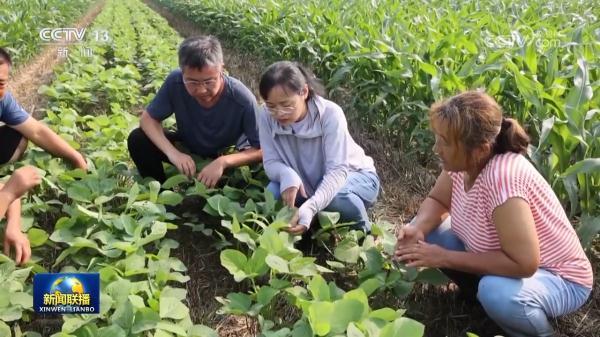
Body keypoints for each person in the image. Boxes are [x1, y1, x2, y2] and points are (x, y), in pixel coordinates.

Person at [394, 91, 592, 337]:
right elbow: (437, 200)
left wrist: (443, 257)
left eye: (444, 142)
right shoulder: (464, 164)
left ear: (479, 149)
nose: (436, 149)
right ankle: (478, 296)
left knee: (496, 293)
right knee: (428, 232)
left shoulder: (503, 180)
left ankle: (541, 333)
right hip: (504, 259)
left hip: (558, 277)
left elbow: (524, 263)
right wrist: (418, 228)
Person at [258, 61, 380, 235]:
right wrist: (287, 175)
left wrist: (311, 206)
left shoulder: (330, 114)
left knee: (337, 198)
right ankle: (310, 224)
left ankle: (364, 235)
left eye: (286, 105)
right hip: (308, 180)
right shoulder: (265, 115)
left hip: (355, 177)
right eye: (271, 106)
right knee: (273, 193)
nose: (279, 113)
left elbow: (337, 171)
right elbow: (270, 162)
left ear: (304, 92)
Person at [127, 36, 261, 186]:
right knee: (138, 139)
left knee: (244, 180)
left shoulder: (242, 98)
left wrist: (224, 162)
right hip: (187, 146)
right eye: (192, 82)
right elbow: (148, 120)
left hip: (222, 153)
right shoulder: (175, 82)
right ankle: (160, 195)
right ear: (182, 72)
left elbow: (261, 149)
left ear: (222, 69)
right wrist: (174, 154)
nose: (201, 90)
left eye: (209, 81)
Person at [0, 47, 87, 265]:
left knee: (19, 134)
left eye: (1, 83)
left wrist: (75, 158)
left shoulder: (3, 100)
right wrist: (9, 192)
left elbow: (36, 131)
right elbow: (7, 190)